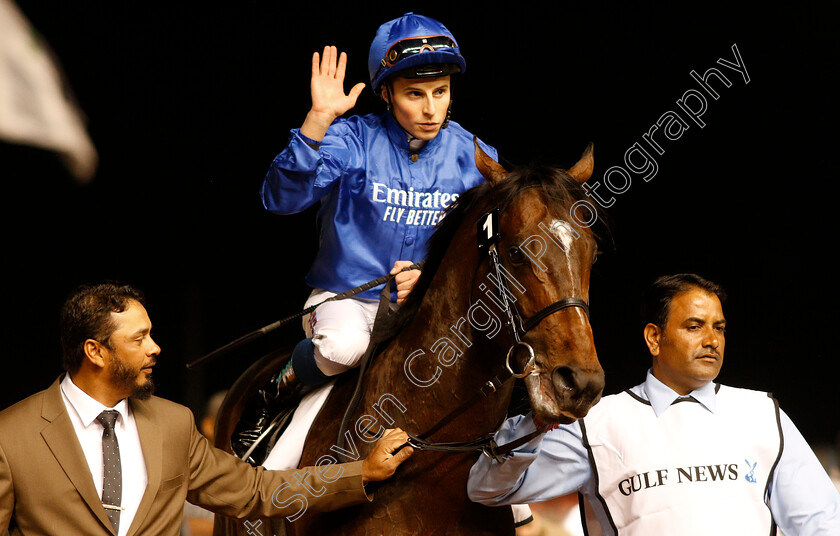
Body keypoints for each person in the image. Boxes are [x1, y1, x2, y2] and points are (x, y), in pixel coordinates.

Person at [233, 12, 498, 463]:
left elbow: (489, 247)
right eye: (415, 94)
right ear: (386, 93)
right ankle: (273, 396)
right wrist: (317, 122)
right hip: (344, 299)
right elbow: (280, 199)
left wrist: (431, 277)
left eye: (440, 92)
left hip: (423, 308)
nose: (431, 109)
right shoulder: (350, 140)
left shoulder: (476, 157)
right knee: (344, 347)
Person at [0, 282, 413, 536]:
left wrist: (362, 472)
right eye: (139, 338)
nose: (155, 347)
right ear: (95, 351)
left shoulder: (172, 424)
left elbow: (256, 491)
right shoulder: (10, 436)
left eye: (152, 335)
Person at [468, 274, 840, 535]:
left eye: (719, 328)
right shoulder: (597, 424)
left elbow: (821, 522)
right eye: (694, 326)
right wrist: (535, 422)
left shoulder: (762, 413)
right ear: (654, 338)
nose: (712, 340)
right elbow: (486, 488)